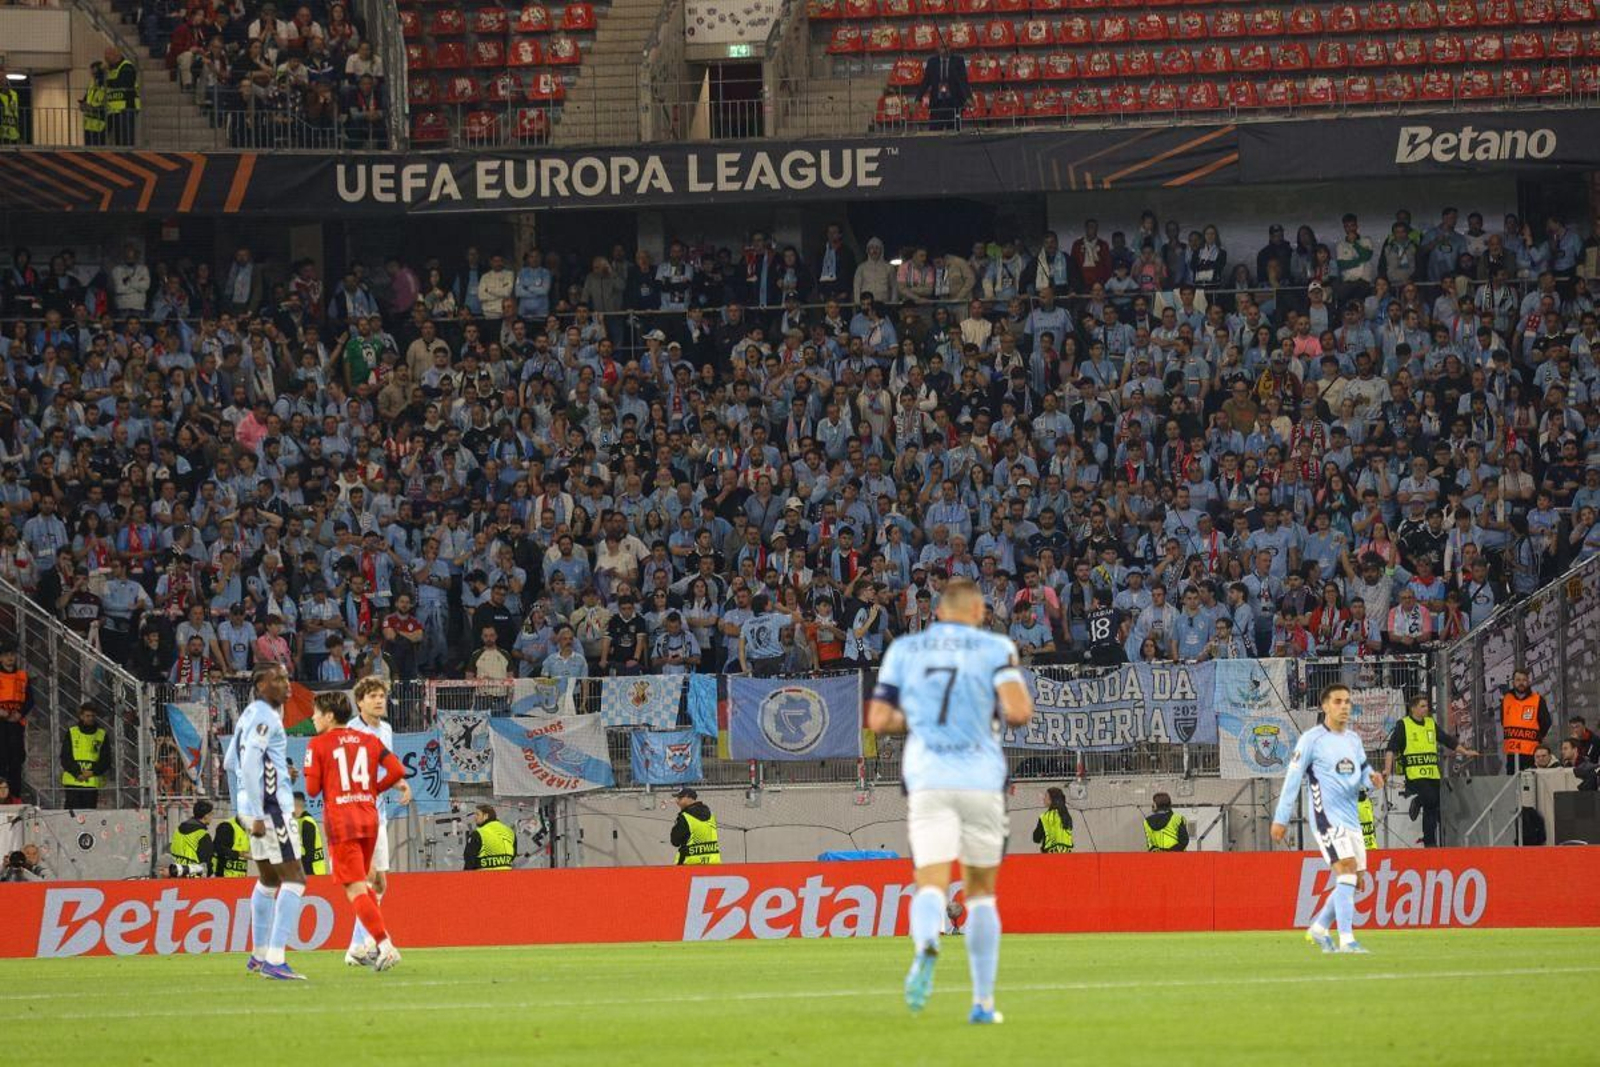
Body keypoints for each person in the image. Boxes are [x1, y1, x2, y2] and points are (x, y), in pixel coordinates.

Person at [867, 577, 1034, 1025]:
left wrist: (918, 716)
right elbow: (1018, 712)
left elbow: (878, 718)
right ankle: (981, 1003)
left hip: (927, 781)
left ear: (937, 612)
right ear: (979, 613)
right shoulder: (996, 649)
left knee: (931, 884)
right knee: (980, 896)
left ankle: (925, 947)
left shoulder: (904, 650)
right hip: (980, 781)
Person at [1271, 684, 1385, 954]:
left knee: (1354, 880)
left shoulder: (1353, 740)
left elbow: (1362, 769)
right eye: (1338, 701)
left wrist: (1372, 778)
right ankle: (1347, 941)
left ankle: (1319, 928)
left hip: (1352, 820)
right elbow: (1293, 779)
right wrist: (1281, 818)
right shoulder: (1311, 739)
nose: (1344, 706)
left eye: (1347, 701)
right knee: (1345, 869)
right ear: (1325, 706)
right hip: (1326, 819)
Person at [304, 691, 406, 972]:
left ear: (328, 716)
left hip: (342, 821)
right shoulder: (369, 739)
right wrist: (374, 789)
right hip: (369, 818)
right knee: (367, 880)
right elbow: (397, 770)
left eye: (315, 713)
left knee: (354, 888)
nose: (312, 718)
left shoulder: (318, 744)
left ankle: (384, 946)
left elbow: (312, 790)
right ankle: (369, 945)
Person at [224, 664, 309, 980]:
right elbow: (246, 762)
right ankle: (275, 959)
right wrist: (261, 810)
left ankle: (259, 954)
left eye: (287, 676)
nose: (287, 683)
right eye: (278, 678)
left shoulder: (247, 715)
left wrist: (271, 779)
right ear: (260, 685)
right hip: (270, 810)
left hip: (252, 805)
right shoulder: (266, 716)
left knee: (270, 880)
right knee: (296, 879)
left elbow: (231, 761)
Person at [342, 676, 411, 965]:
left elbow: (385, 763)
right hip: (355, 813)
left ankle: (358, 946)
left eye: (382, 695)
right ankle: (373, 942)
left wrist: (400, 783)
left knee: (380, 883)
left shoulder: (385, 729)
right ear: (359, 702)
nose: (379, 700)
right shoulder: (350, 732)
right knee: (367, 878)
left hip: (377, 812)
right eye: (372, 696)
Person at [1382, 695, 1478, 847]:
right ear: (1412, 709)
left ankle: (1429, 842)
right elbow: (1391, 748)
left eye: (1426, 706)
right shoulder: (1404, 725)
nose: (1426, 708)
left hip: (1432, 773)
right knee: (1430, 799)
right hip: (1415, 775)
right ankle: (1418, 800)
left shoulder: (1430, 723)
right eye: (1422, 706)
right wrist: (1387, 769)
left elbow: (1447, 740)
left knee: (1432, 807)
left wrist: (1465, 751)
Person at [59, 704, 110, 809]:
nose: (90, 718)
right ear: (81, 716)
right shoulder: (72, 732)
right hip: (73, 782)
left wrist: (92, 772)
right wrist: (77, 773)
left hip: (91, 783)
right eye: (87, 716)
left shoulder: (102, 734)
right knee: (71, 816)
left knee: (89, 817)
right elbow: (65, 757)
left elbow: (106, 760)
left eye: (92, 716)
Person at [1501, 668, 1551, 774]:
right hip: (1512, 753)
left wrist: (1536, 736)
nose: (1521, 683)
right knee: (1512, 782)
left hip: (1531, 752)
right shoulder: (1506, 699)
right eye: (1518, 680)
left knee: (1530, 783)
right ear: (1513, 682)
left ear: (1528, 682)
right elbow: (1503, 720)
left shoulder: (1537, 699)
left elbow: (1546, 722)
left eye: (1524, 680)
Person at [918, 40, 969, 131]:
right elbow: (926, 81)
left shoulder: (958, 61)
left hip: (954, 102)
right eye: (942, 47)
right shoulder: (932, 62)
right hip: (937, 103)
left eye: (947, 47)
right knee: (934, 133)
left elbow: (963, 81)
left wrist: (968, 97)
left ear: (951, 48)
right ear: (937, 49)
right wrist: (918, 98)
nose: (944, 50)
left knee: (954, 133)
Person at [0, 642, 30, 798]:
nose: (10, 658)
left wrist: (21, 713)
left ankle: (15, 797)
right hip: (1, 724)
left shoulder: (23, 676)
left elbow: (30, 700)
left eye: (12, 654)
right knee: (1, 759)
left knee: (16, 761)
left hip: (16, 724)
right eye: (6, 655)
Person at [738, 594, 793, 677]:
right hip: (776, 661)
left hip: (757, 663)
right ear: (765, 606)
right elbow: (799, 617)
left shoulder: (747, 624)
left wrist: (744, 669)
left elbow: (741, 649)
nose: (771, 603)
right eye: (769, 601)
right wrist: (782, 609)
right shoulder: (775, 618)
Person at [669, 786, 720, 865]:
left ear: (688, 797)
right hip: (712, 863)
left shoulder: (685, 817)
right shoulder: (711, 814)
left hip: (689, 864)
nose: (677, 801)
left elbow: (675, 841)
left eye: (680, 798)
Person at [168, 799, 215, 878]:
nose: (212, 817)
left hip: (176, 874)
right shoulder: (202, 835)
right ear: (206, 815)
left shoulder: (178, 830)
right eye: (211, 814)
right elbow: (206, 862)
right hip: (194, 878)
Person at [103, 46, 139, 146]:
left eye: (108, 55)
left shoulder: (126, 67)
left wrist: (107, 82)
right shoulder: (112, 69)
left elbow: (123, 83)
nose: (106, 58)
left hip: (126, 108)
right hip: (114, 111)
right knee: (118, 141)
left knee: (125, 140)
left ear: (116, 55)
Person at [463, 803, 516, 870]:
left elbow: (469, 860)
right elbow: (513, 855)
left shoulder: (478, 833)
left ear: (486, 816)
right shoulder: (510, 832)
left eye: (477, 814)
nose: (475, 817)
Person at [292, 792, 327, 877]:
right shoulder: (301, 821)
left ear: (295, 805)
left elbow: (309, 853)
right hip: (311, 871)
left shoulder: (307, 822)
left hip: (313, 871)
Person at [210, 812, 253, 877]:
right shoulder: (227, 826)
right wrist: (239, 854)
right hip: (222, 876)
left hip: (240, 877)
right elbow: (218, 848)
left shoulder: (248, 829)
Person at [1032, 786, 1074, 854]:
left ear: (1051, 799)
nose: (1043, 798)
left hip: (1051, 854)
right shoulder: (1066, 816)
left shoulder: (1045, 817)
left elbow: (1036, 838)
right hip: (1067, 854)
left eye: (1046, 796)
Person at [80, 61, 108, 145]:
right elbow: (87, 97)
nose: (92, 74)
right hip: (88, 124)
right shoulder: (91, 83)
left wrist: (94, 109)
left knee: (99, 150)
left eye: (94, 72)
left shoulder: (106, 84)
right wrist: (83, 105)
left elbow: (108, 103)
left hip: (100, 124)